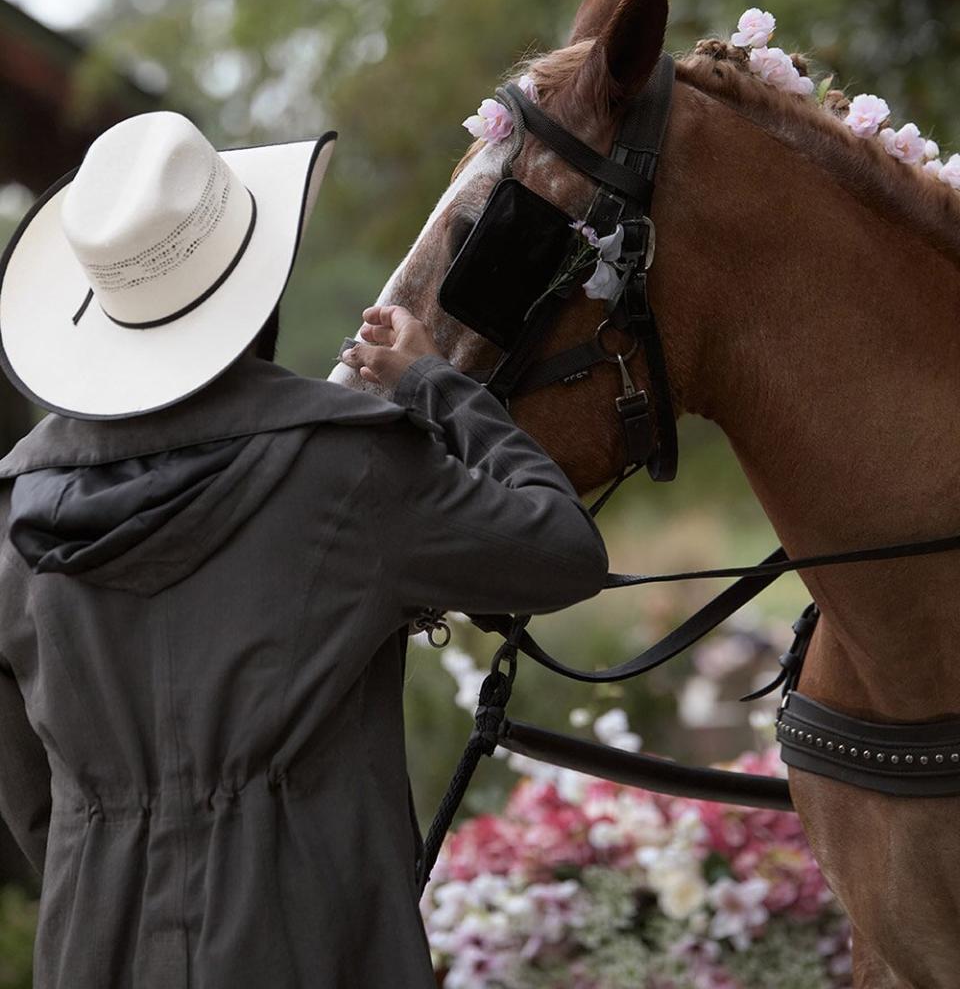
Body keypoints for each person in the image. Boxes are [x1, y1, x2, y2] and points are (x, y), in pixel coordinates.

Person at [0, 109, 609, 989]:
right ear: (258, 283)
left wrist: (110, 851)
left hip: (93, 948)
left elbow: (30, 801)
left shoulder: (14, 511)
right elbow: (563, 551)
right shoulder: (347, 465)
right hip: (316, 945)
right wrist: (437, 384)